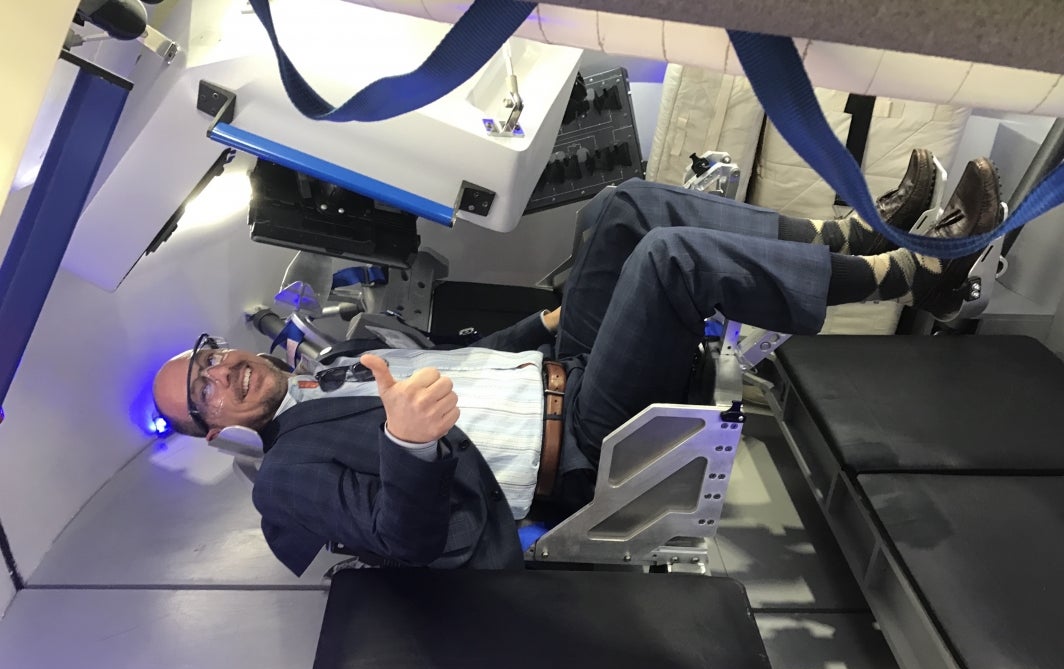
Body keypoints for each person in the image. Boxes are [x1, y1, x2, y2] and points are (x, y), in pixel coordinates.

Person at [152, 151, 1002, 575]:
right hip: (584, 437)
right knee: (669, 260)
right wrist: (408, 446)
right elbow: (400, 540)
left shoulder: (338, 362)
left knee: (621, 205)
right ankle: (910, 277)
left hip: (559, 366)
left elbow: (463, 365)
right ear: (211, 429)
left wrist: (541, 321)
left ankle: (856, 236)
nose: (219, 370)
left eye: (207, 356)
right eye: (203, 392)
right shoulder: (284, 475)